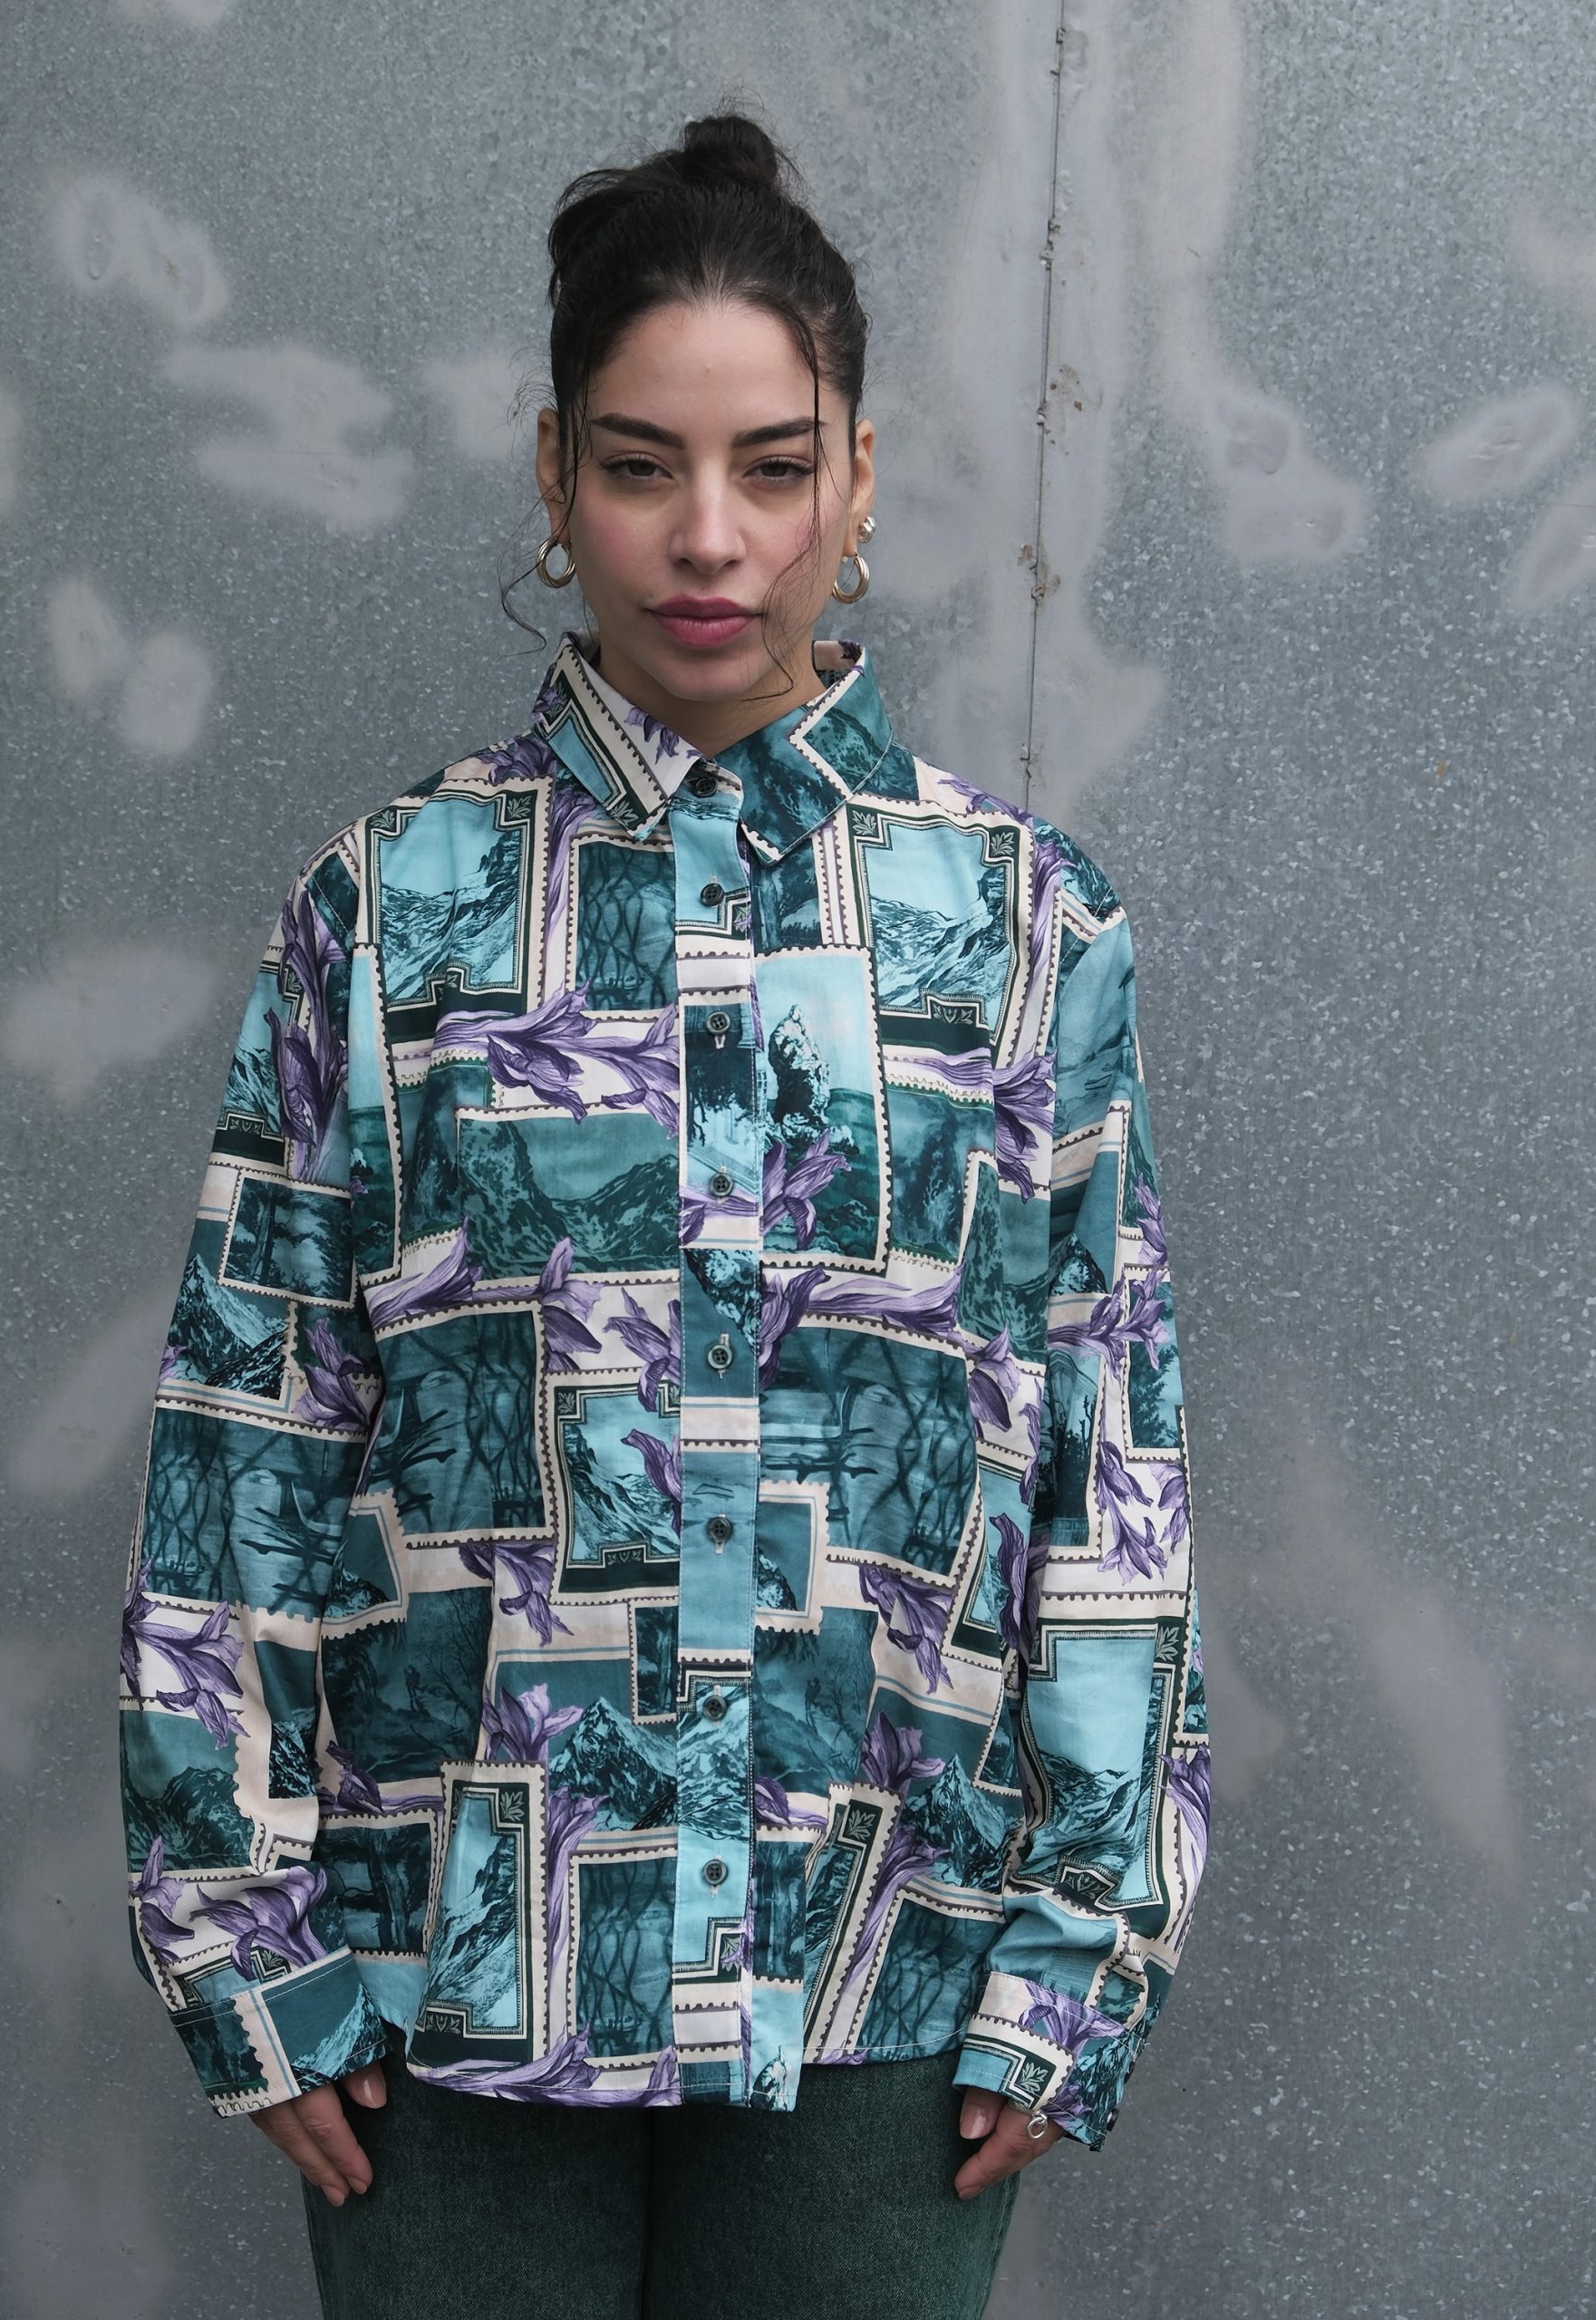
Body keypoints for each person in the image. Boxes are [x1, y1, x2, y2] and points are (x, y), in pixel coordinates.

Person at [118, 106, 1211, 2320]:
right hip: (448, 1972)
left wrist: (1082, 1941)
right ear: (552, 477)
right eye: (638, 465)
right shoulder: (391, 911)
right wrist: (232, 1921)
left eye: (771, 468)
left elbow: (1108, 1462)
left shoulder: (1015, 928)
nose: (707, 537)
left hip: (882, 1969)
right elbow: (250, 1433)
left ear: (860, 481)